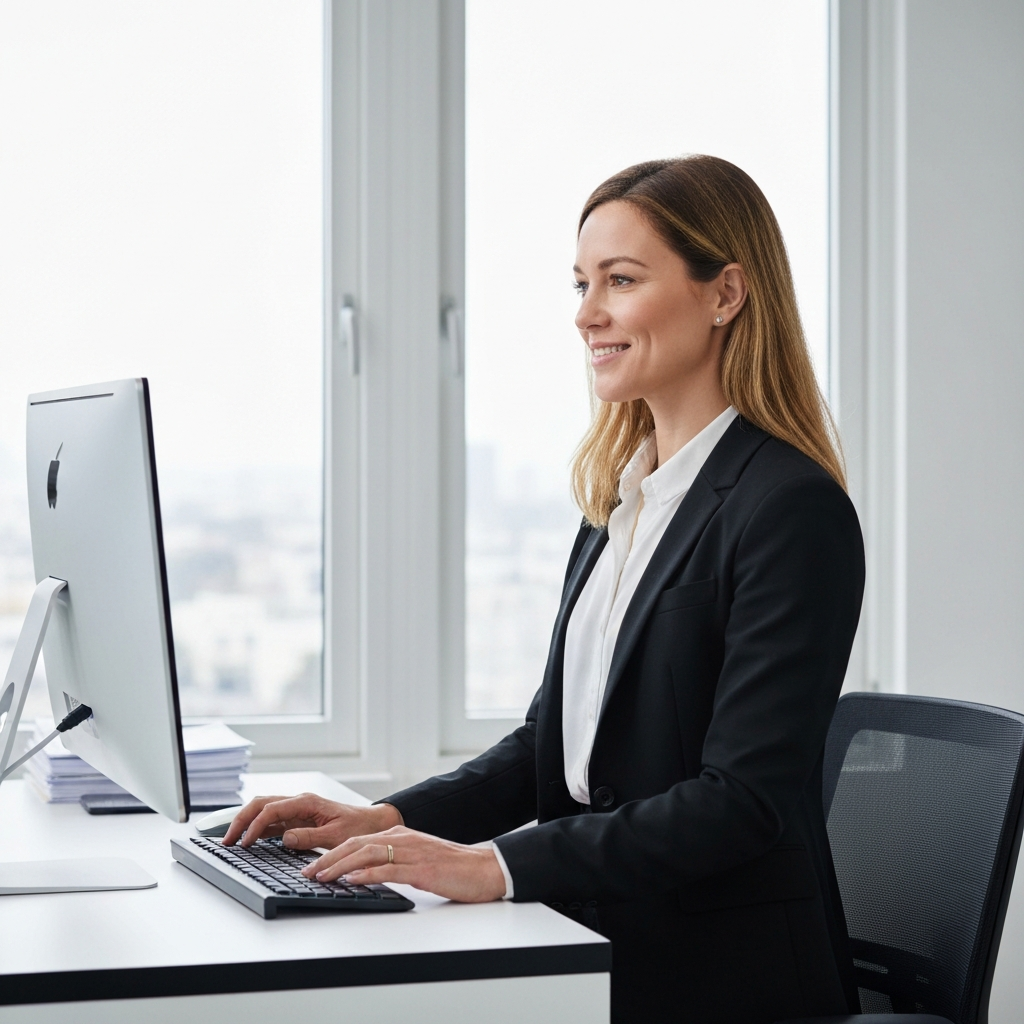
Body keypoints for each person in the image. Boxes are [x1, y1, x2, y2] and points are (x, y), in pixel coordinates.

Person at [224, 155, 865, 1024]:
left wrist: (495, 865)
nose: (587, 313)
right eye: (581, 283)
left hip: (719, 977)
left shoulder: (789, 509)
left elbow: (741, 803)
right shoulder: (620, 499)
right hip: (594, 937)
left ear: (726, 294)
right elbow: (545, 749)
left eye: (621, 281)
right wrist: (375, 817)